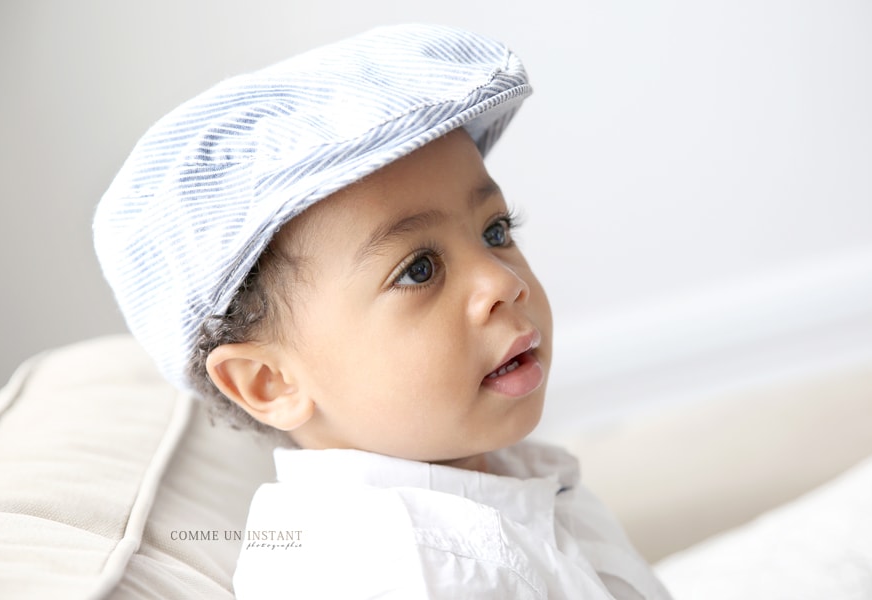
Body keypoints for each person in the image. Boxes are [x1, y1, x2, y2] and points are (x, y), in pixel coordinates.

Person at [95, 23, 673, 599]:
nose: (504, 280)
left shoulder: (493, 473)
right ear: (271, 382)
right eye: (419, 269)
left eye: (496, 229)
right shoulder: (397, 574)